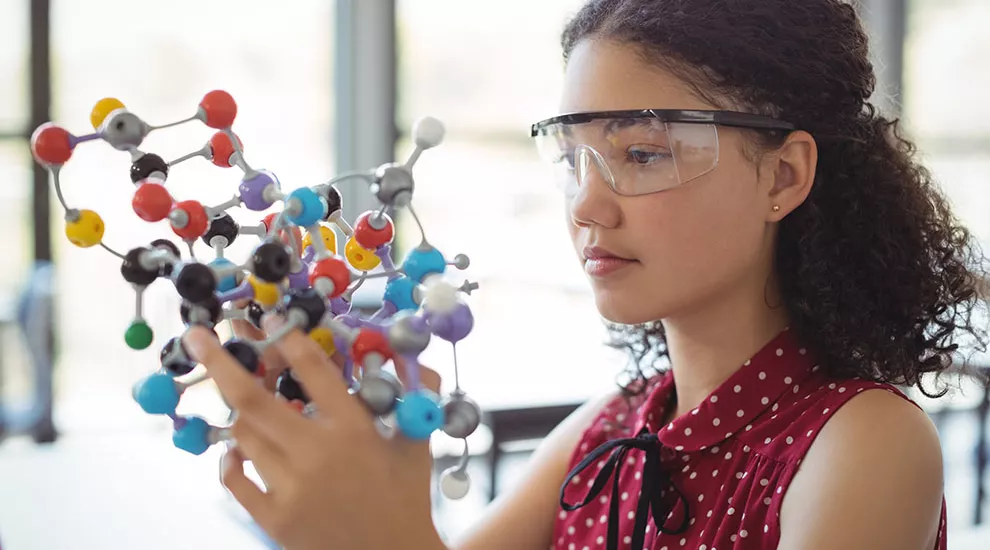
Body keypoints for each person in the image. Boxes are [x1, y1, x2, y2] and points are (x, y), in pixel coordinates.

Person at [182, 0, 988, 549]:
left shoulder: (867, 442)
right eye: (573, 160)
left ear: (783, 177)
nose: (588, 206)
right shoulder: (610, 429)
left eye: (642, 154)